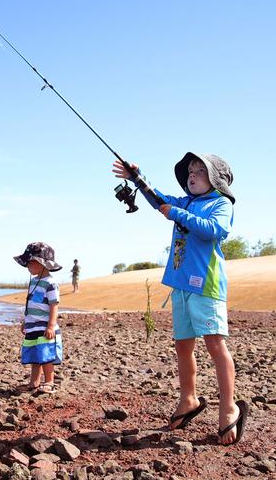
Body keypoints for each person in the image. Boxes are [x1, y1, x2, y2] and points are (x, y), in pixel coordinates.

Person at [113, 152, 247, 445]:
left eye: (200, 170)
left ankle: (228, 408)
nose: (192, 174)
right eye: (190, 170)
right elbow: (157, 199)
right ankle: (188, 399)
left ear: (216, 179)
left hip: (206, 286)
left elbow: (214, 231)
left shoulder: (220, 204)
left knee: (214, 344)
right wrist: (137, 176)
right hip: (181, 286)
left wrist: (175, 213)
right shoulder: (186, 201)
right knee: (183, 345)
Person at [13, 242, 63, 394]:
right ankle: (34, 382)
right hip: (33, 325)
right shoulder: (34, 281)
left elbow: (54, 305)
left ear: (41, 263)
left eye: (30, 262)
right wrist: (25, 321)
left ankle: (49, 382)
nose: (28, 265)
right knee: (36, 354)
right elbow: (31, 303)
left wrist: (51, 326)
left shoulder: (51, 283)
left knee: (46, 355)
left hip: (45, 326)